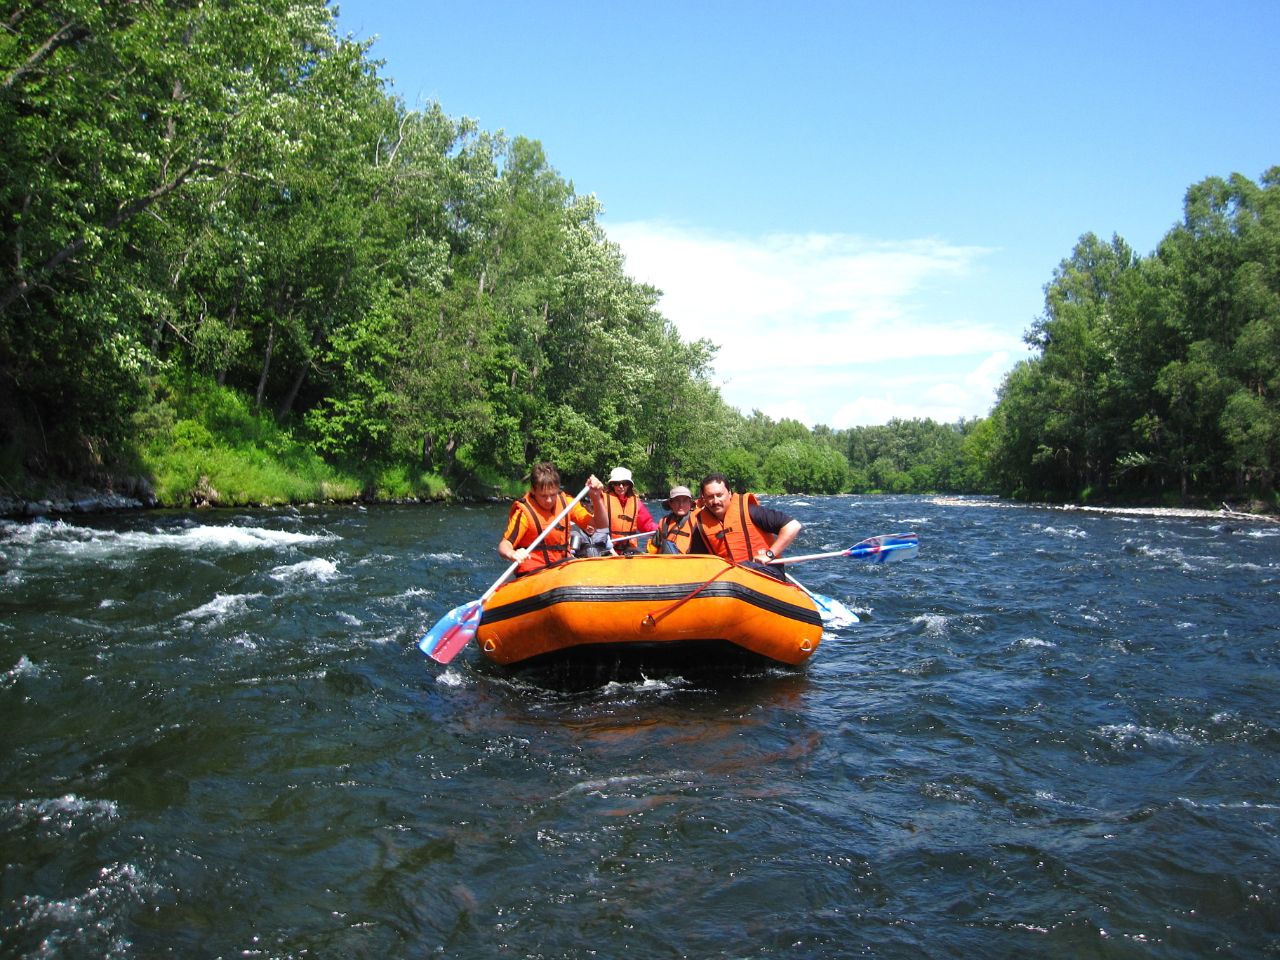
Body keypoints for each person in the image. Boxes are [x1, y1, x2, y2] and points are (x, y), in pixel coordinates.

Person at [499, 462, 606, 575]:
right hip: (534, 572)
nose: (549, 500)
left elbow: (601, 525)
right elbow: (504, 545)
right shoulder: (524, 513)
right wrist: (512, 554)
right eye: (544, 496)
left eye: (553, 494)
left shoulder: (567, 503)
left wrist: (596, 497)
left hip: (561, 568)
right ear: (533, 491)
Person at [687, 473, 800, 579]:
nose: (715, 501)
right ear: (704, 499)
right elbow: (697, 562)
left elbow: (793, 526)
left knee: (735, 571)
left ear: (729, 493)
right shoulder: (701, 527)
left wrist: (769, 554)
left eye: (719, 495)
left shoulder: (751, 511)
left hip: (766, 570)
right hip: (729, 581)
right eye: (710, 497)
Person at [602, 466, 657, 554]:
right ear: (612, 484)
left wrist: (661, 530)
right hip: (607, 547)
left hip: (628, 549)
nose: (621, 486)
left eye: (624, 483)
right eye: (617, 483)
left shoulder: (636, 503)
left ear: (629, 485)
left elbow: (646, 524)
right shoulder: (603, 500)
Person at [648, 485, 697, 554]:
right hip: (666, 562)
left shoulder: (698, 521)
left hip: (691, 562)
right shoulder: (663, 522)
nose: (681, 504)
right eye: (677, 500)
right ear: (671, 504)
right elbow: (653, 547)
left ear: (690, 503)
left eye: (685, 500)